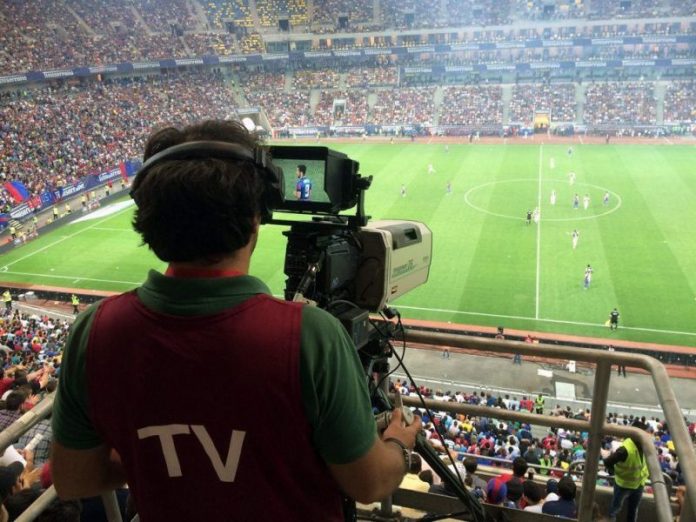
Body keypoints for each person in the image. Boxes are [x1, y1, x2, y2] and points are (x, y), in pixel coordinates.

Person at [50, 120, 422, 521]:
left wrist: (159, 458)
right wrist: (399, 444)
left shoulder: (95, 331)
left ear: (151, 216)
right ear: (255, 216)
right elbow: (369, 484)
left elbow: (73, 479)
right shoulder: (311, 336)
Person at [605, 432, 649, 522]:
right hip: (623, 486)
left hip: (639, 484)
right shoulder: (624, 450)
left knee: (633, 510)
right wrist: (614, 472)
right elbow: (608, 461)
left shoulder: (644, 445)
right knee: (614, 509)